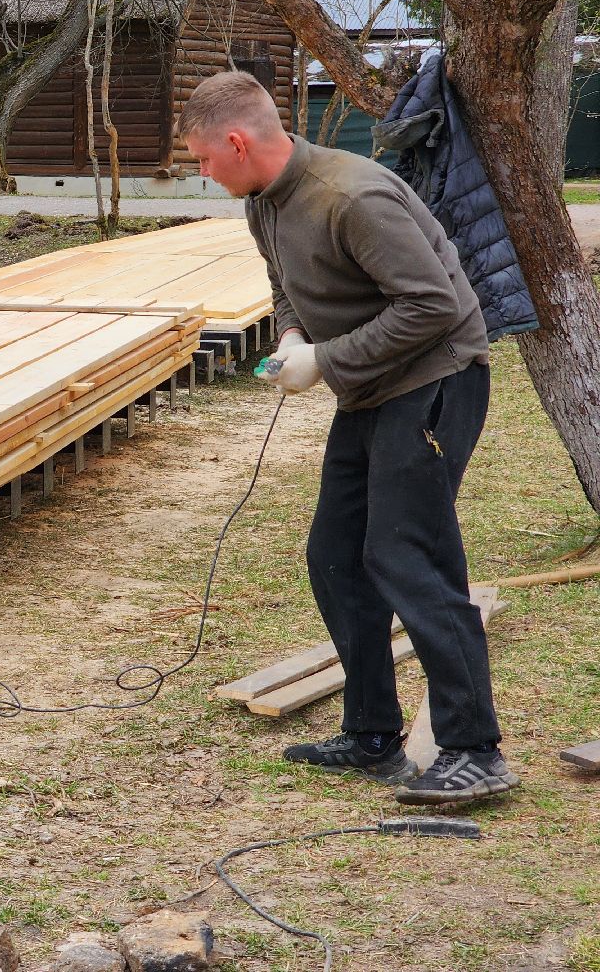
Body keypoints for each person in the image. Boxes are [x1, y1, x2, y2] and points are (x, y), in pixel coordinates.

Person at [179, 70, 519, 806]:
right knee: (335, 554)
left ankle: (473, 749)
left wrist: (325, 361)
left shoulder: (351, 195)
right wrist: (295, 334)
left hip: (435, 380)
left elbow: (432, 305)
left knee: (407, 555)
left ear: (237, 142)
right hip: (370, 388)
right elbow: (283, 281)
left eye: (204, 159)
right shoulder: (263, 200)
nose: (203, 174)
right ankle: (372, 736)